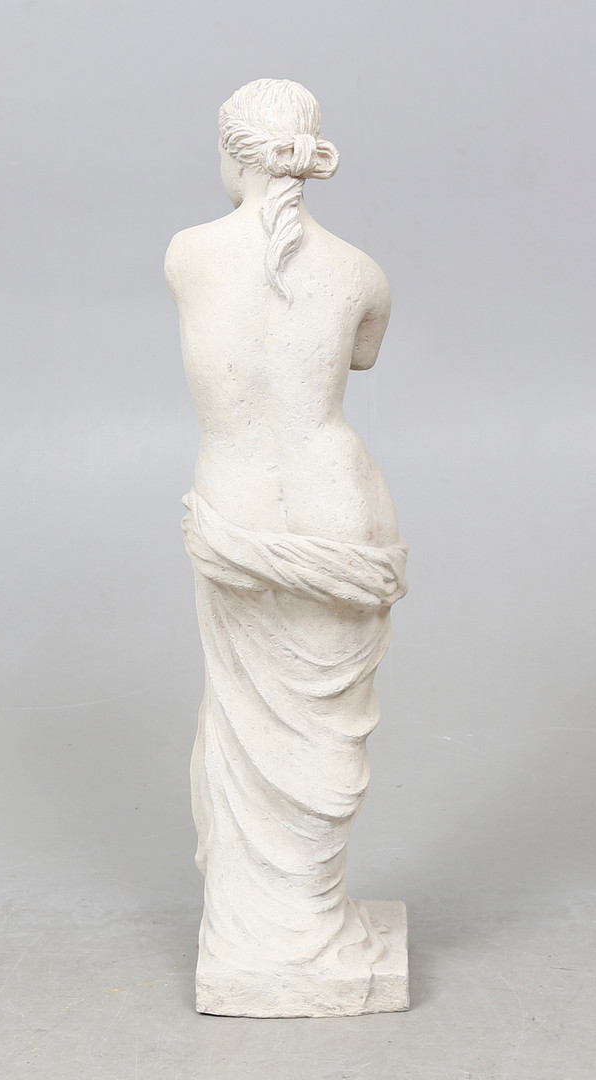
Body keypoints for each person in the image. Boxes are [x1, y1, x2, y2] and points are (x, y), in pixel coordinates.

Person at [165, 79, 408, 1016]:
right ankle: (300, 928)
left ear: (234, 155)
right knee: (321, 743)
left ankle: (271, 937)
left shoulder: (187, 255)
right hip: (337, 510)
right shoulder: (362, 274)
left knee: (251, 732)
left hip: (235, 509)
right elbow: (359, 357)